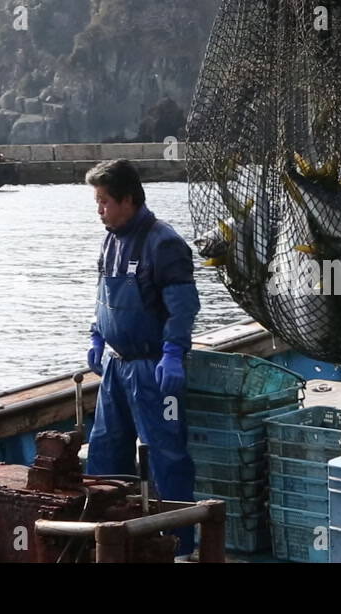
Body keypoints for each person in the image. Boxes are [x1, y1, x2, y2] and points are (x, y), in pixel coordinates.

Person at [84, 159, 200, 557]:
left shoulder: (163, 243)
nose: (98, 209)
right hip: (117, 367)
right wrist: (97, 336)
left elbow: (182, 306)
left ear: (127, 199)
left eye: (103, 201)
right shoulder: (109, 240)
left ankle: (180, 548)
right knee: (104, 453)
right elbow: (104, 298)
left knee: (166, 455)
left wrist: (173, 353)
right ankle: (105, 543)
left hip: (154, 368)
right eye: (96, 201)